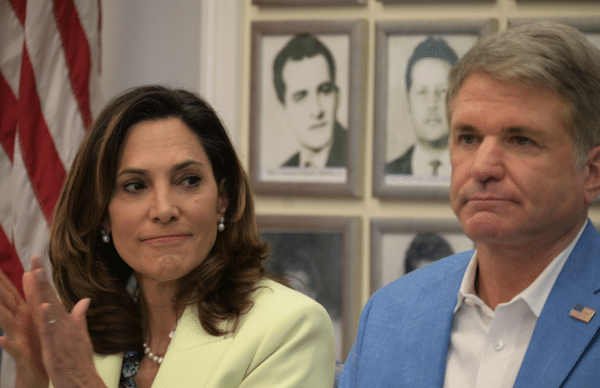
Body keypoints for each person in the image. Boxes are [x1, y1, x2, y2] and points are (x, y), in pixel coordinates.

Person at [0, 86, 336, 387]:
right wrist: (32, 378)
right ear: (101, 214)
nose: (163, 209)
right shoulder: (86, 336)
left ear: (223, 199)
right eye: (135, 186)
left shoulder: (290, 328)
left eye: (188, 180)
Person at [340, 21, 600, 387]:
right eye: (468, 138)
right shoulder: (390, 313)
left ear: (591, 173)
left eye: (520, 140)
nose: (483, 167)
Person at [386, 36, 458, 177]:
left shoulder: (477, 172)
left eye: (442, 91)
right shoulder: (388, 173)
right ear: (408, 101)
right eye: (422, 92)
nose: (432, 104)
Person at [273, 34, 347, 168]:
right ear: (282, 112)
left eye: (325, 91)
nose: (317, 110)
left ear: (337, 97)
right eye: (301, 97)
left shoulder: (363, 160)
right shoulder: (284, 170)